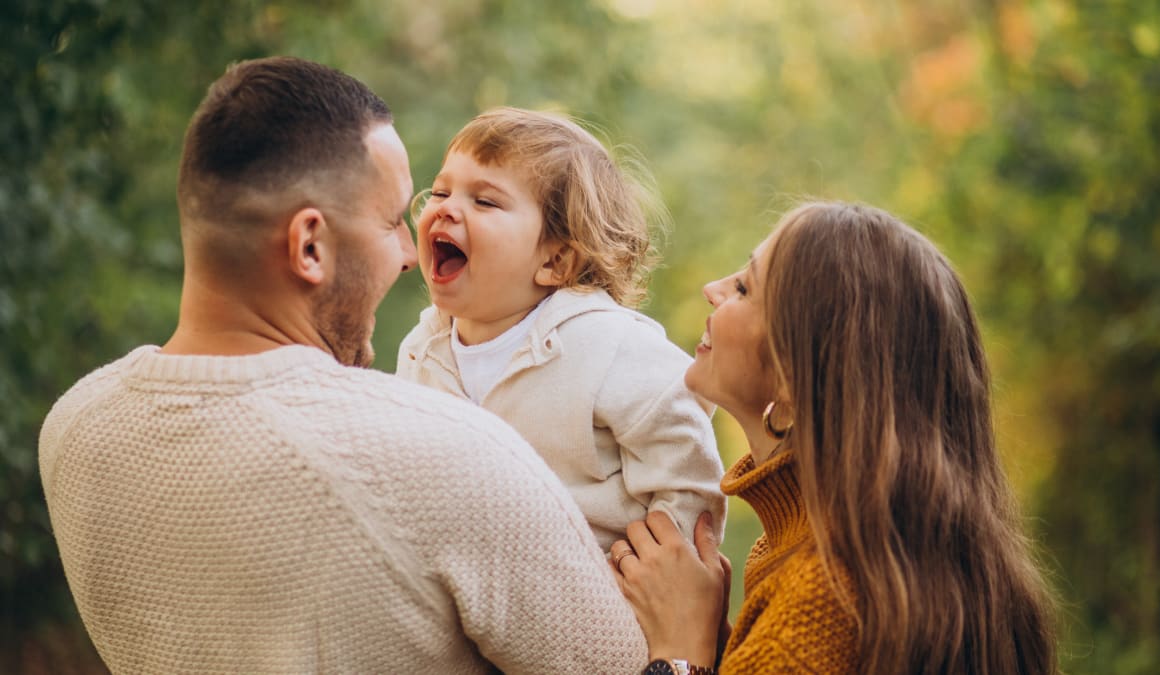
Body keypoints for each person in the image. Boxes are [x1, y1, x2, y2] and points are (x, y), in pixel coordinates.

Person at [38, 57, 648, 674]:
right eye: (391, 222)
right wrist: (683, 653)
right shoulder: (450, 461)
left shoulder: (74, 428)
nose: (409, 252)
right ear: (310, 246)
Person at [610, 202, 1057, 674]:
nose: (712, 289)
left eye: (743, 288)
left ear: (793, 377)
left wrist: (681, 655)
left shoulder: (819, 599)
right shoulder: (880, 557)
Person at [396, 107, 726, 550]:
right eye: (439, 191)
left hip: (592, 582)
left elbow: (685, 462)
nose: (446, 209)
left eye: (485, 201)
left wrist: (658, 567)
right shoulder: (421, 351)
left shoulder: (608, 345)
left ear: (555, 261)